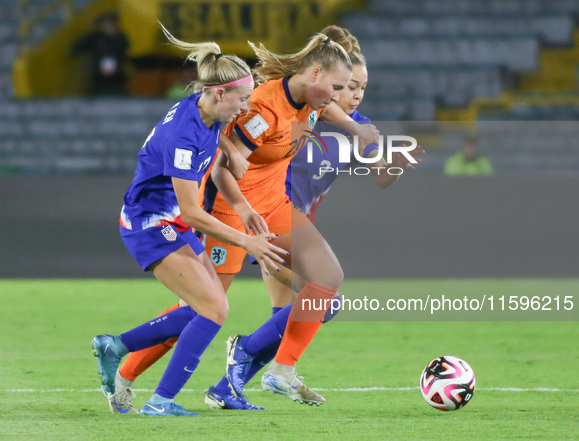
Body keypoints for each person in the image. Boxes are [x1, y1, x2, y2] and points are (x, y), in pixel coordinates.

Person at [110, 26, 422, 412]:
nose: (343, 97)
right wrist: (242, 210)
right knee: (199, 311)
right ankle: (126, 373)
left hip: (275, 207)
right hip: (230, 210)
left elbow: (335, 110)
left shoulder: (315, 98)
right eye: (339, 87)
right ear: (314, 76)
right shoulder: (265, 107)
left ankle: (279, 369)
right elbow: (223, 167)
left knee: (327, 284)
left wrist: (358, 130)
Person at [91, 29, 287, 417]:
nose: (246, 107)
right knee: (214, 309)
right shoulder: (184, 136)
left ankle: (117, 348)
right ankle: (159, 401)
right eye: (243, 99)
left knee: (202, 309)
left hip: (171, 220)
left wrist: (241, 201)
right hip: (149, 223)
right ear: (219, 94)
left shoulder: (206, 113)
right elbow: (194, 213)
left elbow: (212, 163)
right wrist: (246, 241)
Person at [71, 13, 130, 96]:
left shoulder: (120, 37)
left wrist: (114, 35)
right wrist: (89, 32)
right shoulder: (94, 37)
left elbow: (126, 48)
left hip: (117, 80)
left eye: (112, 23)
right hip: (98, 80)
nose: (109, 26)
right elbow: (75, 50)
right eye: (106, 23)